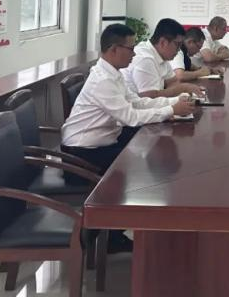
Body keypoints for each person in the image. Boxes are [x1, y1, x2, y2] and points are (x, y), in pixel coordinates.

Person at [61, 23, 196, 252]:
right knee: (138, 168)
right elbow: (131, 117)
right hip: (81, 154)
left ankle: (112, 230)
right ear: (114, 49)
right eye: (130, 49)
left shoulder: (112, 74)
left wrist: (174, 102)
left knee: (145, 152)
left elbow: (137, 102)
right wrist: (171, 111)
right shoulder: (103, 81)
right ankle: (109, 235)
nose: (134, 54)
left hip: (100, 143)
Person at [121, 18, 206, 98]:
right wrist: (183, 88)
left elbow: (173, 82)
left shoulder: (161, 55)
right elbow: (150, 98)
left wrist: (178, 93)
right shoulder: (145, 59)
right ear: (163, 42)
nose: (179, 49)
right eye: (177, 44)